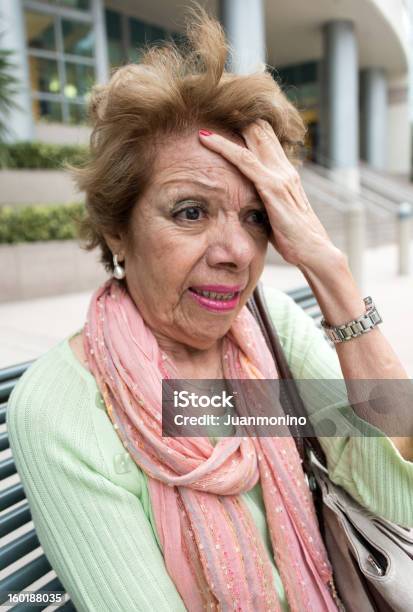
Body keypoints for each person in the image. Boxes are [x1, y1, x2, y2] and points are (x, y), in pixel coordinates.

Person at [7, 6, 413, 612]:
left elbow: (400, 502)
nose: (235, 253)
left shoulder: (268, 328)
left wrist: (331, 272)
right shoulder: (66, 410)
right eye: (190, 212)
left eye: (256, 218)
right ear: (117, 229)